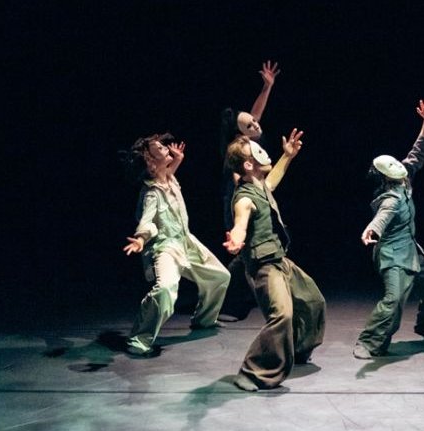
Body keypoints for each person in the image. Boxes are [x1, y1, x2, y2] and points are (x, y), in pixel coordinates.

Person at [223, 130, 326, 391]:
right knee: (282, 315)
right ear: (248, 164)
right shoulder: (244, 197)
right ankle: (251, 372)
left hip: (280, 261)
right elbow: (240, 222)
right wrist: (237, 238)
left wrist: (287, 156)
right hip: (264, 267)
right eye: (255, 152)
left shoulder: (259, 185)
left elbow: (272, 182)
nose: (263, 152)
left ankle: (297, 350)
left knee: (312, 301)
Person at [354, 100, 424, 360]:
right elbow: (382, 217)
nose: (401, 166)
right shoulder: (390, 197)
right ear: (385, 177)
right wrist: (371, 231)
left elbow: (418, 151)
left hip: (412, 249)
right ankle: (369, 342)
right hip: (392, 255)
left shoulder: (404, 176)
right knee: (394, 299)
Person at [121, 133, 231, 356]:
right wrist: (141, 239)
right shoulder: (152, 193)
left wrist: (178, 160)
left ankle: (204, 320)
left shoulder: (168, 178)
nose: (165, 148)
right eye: (159, 149)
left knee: (220, 276)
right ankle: (139, 339)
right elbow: (147, 221)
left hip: (186, 242)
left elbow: (167, 174)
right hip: (166, 248)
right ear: (152, 162)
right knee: (165, 289)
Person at [218, 61, 281, 322]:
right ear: (240, 132)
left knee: (252, 251)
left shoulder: (250, 139)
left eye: (255, 122)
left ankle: (236, 298)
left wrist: (267, 87)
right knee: (244, 253)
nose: (256, 124)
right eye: (250, 124)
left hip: (256, 196)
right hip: (241, 201)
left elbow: (255, 112)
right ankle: (231, 303)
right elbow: (237, 180)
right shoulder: (238, 149)